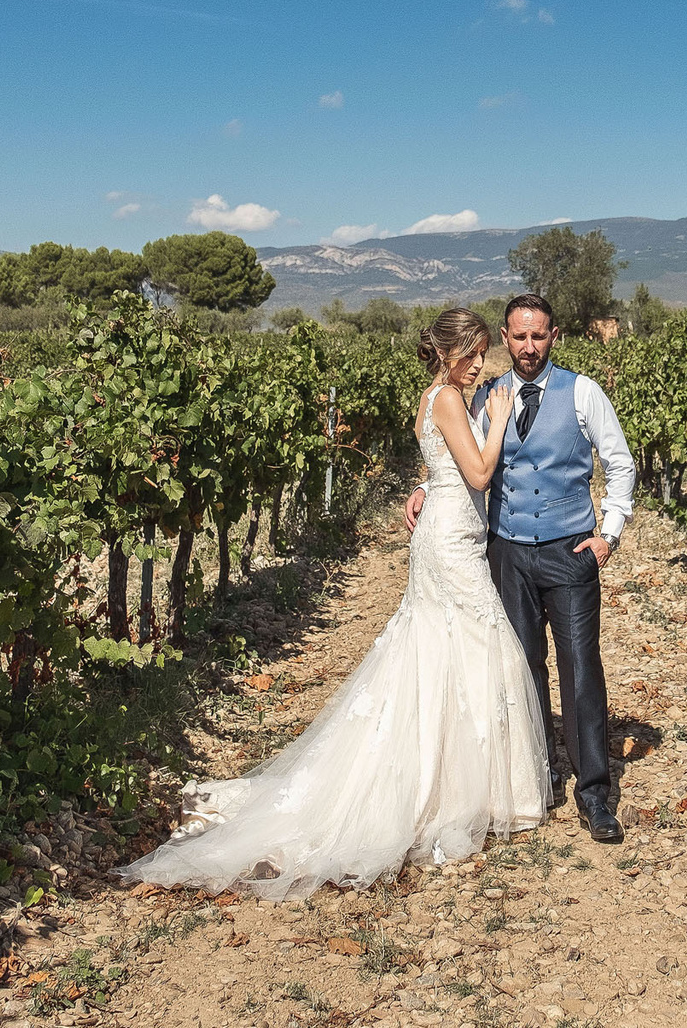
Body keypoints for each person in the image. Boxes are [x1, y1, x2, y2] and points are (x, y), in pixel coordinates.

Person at [118, 307, 548, 899]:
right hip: (451, 545)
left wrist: (423, 484)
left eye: (482, 353)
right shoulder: (449, 399)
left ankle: (470, 789)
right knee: (481, 652)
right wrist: (497, 421)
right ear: (447, 352)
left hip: (453, 536)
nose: (480, 365)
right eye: (471, 354)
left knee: (458, 656)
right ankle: (476, 795)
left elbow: (439, 467)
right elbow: (475, 472)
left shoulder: (439, 398)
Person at [407, 291, 636, 843]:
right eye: (518, 336)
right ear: (505, 338)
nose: (528, 346)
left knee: (581, 667)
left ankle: (594, 793)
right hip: (506, 549)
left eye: (538, 336)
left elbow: (620, 463)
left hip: (569, 549)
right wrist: (423, 486)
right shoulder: (483, 394)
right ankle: (539, 774)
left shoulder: (583, 391)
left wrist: (608, 536)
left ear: (553, 337)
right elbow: (458, 459)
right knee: (521, 664)